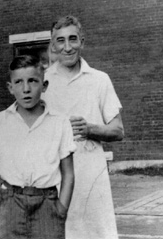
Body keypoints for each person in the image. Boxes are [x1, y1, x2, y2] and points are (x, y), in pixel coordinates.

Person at [43, 15, 124, 239]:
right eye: (60, 41)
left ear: (83, 42)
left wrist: (89, 129)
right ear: (53, 45)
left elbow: (118, 130)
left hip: (91, 176)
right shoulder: (42, 82)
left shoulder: (100, 79)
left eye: (73, 39)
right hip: (54, 177)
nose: (67, 47)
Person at [0, 55, 76, 239]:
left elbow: (69, 173)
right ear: (10, 87)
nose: (26, 89)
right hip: (9, 205)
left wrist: (61, 209)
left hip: (47, 206)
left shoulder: (60, 122)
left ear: (44, 85)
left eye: (33, 81)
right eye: (18, 82)